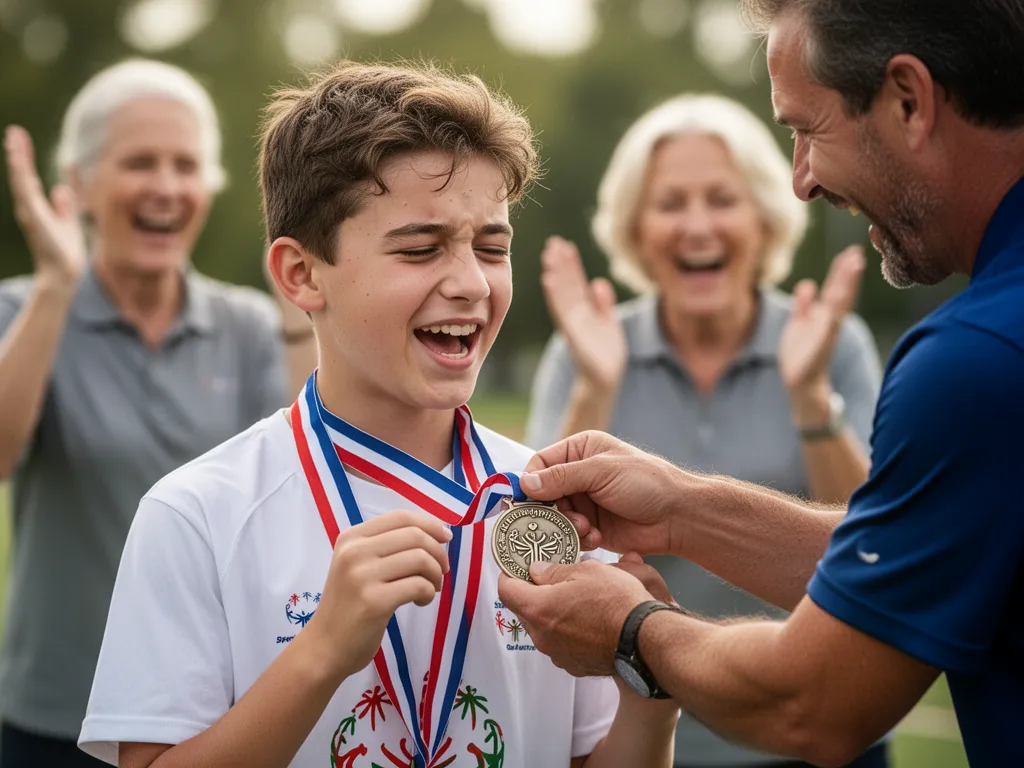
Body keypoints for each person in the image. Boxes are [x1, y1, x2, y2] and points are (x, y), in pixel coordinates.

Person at [77, 60, 679, 768]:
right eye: (420, 249)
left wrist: (651, 688)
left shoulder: (548, 510)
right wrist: (322, 652)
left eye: (491, 247)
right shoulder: (198, 515)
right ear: (302, 275)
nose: (469, 283)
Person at [499, 0, 1024, 766]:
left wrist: (631, 629)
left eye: (808, 131)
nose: (802, 181)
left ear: (909, 101)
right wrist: (680, 507)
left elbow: (814, 703)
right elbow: (904, 555)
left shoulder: (975, 357)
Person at [525, 93, 884, 768]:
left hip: (819, 726)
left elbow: (878, 549)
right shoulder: (586, 348)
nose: (697, 226)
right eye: (670, 204)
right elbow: (537, 545)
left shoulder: (833, 344)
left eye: (722, 199)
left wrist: (810, 400)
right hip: (647, 737)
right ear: (635, 228)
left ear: (765, 218)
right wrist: (597, 386)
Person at [0, 59, 316, 767]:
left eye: (186, 164)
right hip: (54, 713)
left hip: (214, 713)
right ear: (78, 184)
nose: (167, 187)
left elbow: (312, 477)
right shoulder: (20, 312)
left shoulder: (248, 326)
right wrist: (57, 286)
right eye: (140, 162)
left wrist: (304, 318)